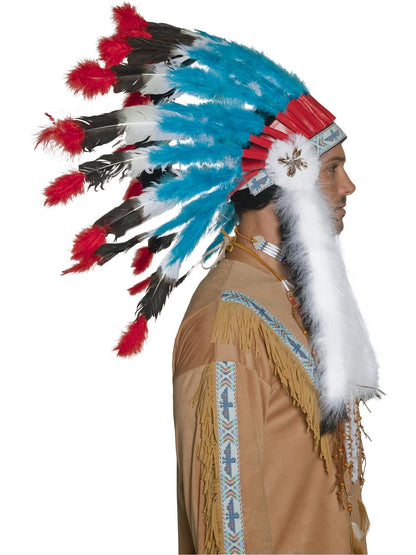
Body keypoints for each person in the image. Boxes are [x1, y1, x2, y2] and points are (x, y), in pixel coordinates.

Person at [37, 4, 380, 553]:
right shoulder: (228, 319)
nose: (349, 187)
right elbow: (227, 521)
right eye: (333, 168)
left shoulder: (288, 299)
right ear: (284, 179)